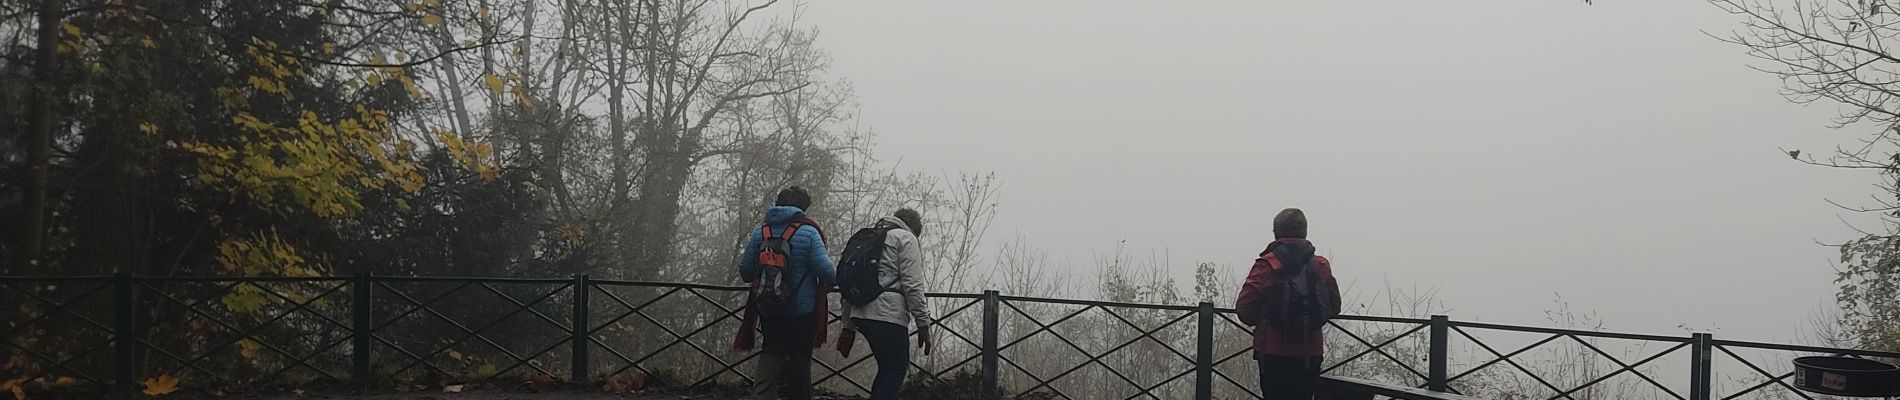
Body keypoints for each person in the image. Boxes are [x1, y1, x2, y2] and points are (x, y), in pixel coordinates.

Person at [735, 186, 836, 400]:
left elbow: (745, 272)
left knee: (771, 352)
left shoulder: (761, 232)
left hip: (769, 307)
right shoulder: (809, 232)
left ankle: (761, 395)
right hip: (802, 311)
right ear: (802, 208)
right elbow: (826, 271)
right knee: (800, 359)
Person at [1235, 208, 1342, 400]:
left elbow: (1244, 309)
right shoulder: (1320, 265)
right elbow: (1333, 306)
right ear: (1305, 232)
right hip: (1310, 353)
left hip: (1272, 351)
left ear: (1276, 232)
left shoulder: (1267, 265)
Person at [835, 209, 933, 400]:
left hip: (862, 314)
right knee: (896, 369)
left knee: (887, 368)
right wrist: (923, 324)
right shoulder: (905, 238)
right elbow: (912, 285)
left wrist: (848, 326)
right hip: (887, 314)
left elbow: (848, 282)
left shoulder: (869, 239)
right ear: (914, 229)